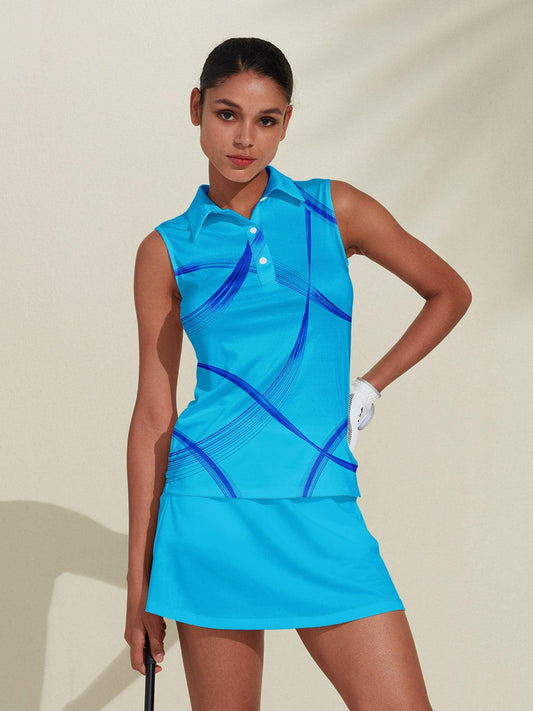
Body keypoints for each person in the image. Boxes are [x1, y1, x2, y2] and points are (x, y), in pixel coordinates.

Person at [124, 36, 471, 710]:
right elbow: (152, 415)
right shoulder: (166, 249)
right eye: (226, 114)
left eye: (266, 120)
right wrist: (140, 585)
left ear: (286, 122)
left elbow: (448, 292)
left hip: (320, 504)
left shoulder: (333, 210)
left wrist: (370, 384)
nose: (244, 139)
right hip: (211, 512)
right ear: (196, 108)